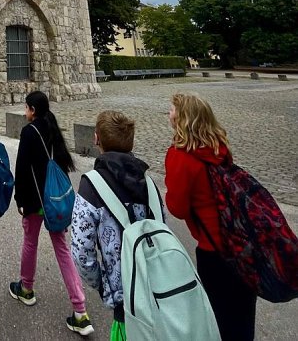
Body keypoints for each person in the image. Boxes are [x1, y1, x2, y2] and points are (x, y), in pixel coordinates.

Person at [165, 93, 256, 341]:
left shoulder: (181, 156)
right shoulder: (218, 145)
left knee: (218, 317)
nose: (169, 114)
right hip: (242, 241)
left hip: (214, 250)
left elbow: (178, 208)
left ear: (183, 118)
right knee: (242, 316)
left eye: (172, 110)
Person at [70, 110, 163, 341]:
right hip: (158, 287)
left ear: (96, 139)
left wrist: (103, 285)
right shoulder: (150, 184)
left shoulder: (91, 186)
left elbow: (81, 251)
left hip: (124, 295)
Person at [10, 91, 93, 336]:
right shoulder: (52, 125)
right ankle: (80, 310)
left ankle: (26, 288)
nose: (25, 112)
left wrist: (20, 199)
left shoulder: (29, 132)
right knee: (62, 249)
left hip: (36, 200)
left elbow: (23, 169)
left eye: (26, 108)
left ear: (32, 110)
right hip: (55, 199)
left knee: (30, 243)